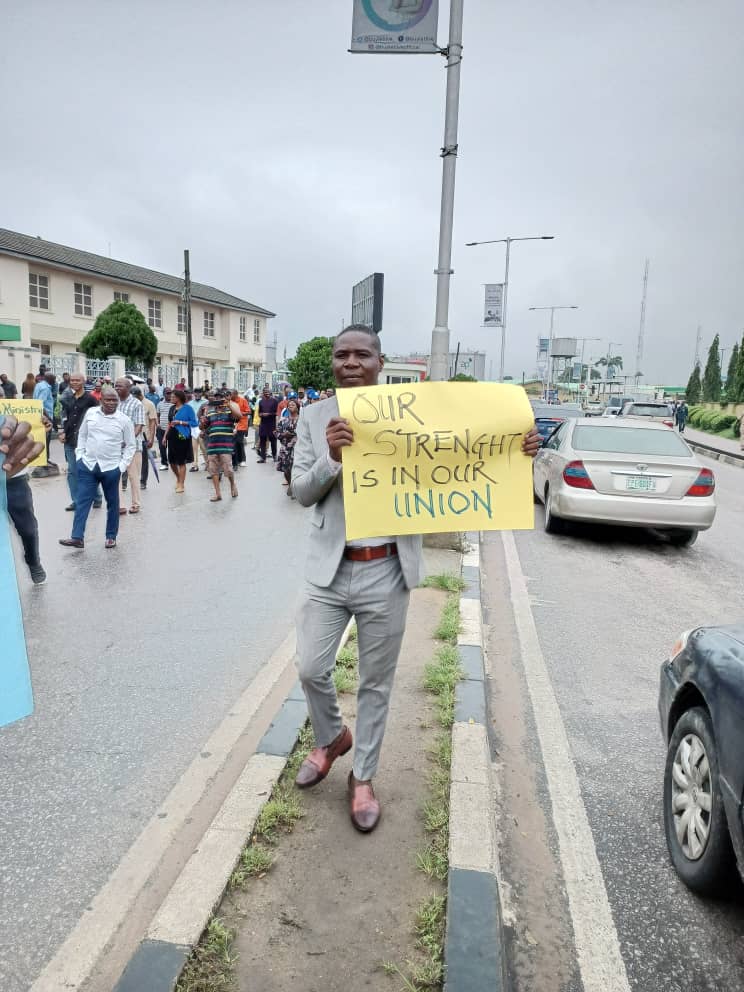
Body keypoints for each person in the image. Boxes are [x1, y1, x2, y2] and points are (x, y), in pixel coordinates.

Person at [291, 324, 541, 833]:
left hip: (386, 569)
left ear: (381, 363)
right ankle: (332, 737)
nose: (351, 363)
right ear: (333, 363)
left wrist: (514, 451)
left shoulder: (414, 415)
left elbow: (463, 450)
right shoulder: (313, 417)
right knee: (310, 669)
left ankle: (362, 778)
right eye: (342, 355)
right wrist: (332, 458)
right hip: (328, 571)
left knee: (375, 684)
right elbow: (300, 491)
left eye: (363, 354)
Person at [59, 386, 135, 550]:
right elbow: (83, 435)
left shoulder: (124, 420)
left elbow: (130, 446)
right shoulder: (91, 413)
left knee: (112, 504)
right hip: (88, 465)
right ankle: (77, 537)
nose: (111, 403)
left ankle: (110, 537)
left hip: (111, 468)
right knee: (82, 502)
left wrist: (121, 467)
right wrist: (80, 457)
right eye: (108, 399)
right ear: (100, 399)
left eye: (114, 400)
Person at [2, 404, 48, 584]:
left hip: (14, 482)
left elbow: (30, 438)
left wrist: (42, 424)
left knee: (28, 530)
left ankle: (33, 561)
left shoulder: (10, 421)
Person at [58, 372, 100, 511]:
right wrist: (62, 431)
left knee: (88, 469)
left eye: (77, 380)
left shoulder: (91, 400)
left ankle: (97, 496)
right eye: (72, 380)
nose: (74, 382)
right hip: (69, 440)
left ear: (83, 382)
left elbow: (98, 418)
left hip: (86, 441)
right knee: (72, 471)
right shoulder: (68, 398)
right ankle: (77, 501)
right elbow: (64, 417)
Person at [201, 390, 240, 501]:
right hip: (212, 446)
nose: (218, 400)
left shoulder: (229, 411)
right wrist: (202, 422)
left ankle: (232, 485)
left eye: (220, 398)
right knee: (213, 470)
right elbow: (202, 427)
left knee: (228, 470)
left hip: (225, 446)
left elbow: (239, 416)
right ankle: (218, 494)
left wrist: (229, 405)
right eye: (216, 398)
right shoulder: (210, 412)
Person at [115, 377, 145, 514]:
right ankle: (120, 505)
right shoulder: (113, 403)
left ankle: (136, 504)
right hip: (115, 446)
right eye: (116, 386)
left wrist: (128, 441)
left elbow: (139, 425)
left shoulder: (136, 404)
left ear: (128, 388)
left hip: (133, 447)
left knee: (133, 476)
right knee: (116, 477)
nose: (117, 388)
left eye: (120, 386)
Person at [165, 388, 198, 493]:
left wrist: (180, 422)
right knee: (171, 462)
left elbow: (194, 423)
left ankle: (181, 484)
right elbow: (169, 423)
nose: (171, 398)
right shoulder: (171, 408)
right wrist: (164, 436)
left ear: (179, 398)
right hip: (172, 436)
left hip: (182, 436)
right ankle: (178, 478)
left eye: (173, 397)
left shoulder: (188, 408)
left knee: (181, 462)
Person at [132, 386, 157, 489]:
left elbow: (152, 422)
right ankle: (130, 480)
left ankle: (143, 481)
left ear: (139, 395)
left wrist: (151, 438)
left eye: (134, 397)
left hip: (144, 436)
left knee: (144, 461)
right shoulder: (133, 403)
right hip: (133, 435)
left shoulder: (149, 404)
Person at [276, 398, 300, 496]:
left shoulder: (302, 420)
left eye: (293, 404)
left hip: (298, 448)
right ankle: (291, 485)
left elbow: (306, 433)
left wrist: (293, 434)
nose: (291, 406)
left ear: (298, 407)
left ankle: (297, 488)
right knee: (286, 470)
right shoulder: (283, 420)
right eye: (289, 405)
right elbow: (277, 432)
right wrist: (283, 435)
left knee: (298, 469)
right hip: (286, 448)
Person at [257, 385, 279, 462]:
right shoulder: (260, 401)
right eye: (265, 392)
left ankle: (274, 456)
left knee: (273, 440)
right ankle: (263, 457)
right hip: (263, 423)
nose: (267, 393)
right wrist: (262, 414)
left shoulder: (275, 401)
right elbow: (259, 413)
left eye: (268, 392)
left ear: (270, 393)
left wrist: (269, 414)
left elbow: (277, 412)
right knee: (262, 440)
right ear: (263, 393)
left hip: (271, 423)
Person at [230, 389, 250, 468]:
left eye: (231, 394)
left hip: (242, 424)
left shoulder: (243, 400)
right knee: (234, 443)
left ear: (236, 394)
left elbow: (248, 411)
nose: (230, 396)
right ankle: (236, 460)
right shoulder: (230, 402)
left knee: (239, 442)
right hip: (233, 425)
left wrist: (239, 413)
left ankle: (243, 460)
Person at [188, 388, 207, 471]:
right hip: (193, 428)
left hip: (202, 427)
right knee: (193, 448)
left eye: (199, 392)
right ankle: (195, 465)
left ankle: (208, 464)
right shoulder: (189, 403)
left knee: (203, 447)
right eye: (196, 393)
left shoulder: (205, 402)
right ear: (193, 393)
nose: (197, 394)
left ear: (201, 393)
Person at [156, 388, 173, 468]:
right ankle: (164, 463)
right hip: (161, 429)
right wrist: (158, 423)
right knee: (162, 447)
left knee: (172, 447)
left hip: (172, 429)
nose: (169, 395)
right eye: (167, 393)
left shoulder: (174, 404)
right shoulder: (159, 404)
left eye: (170, 393)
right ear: (164, 394)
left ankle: (172, 462)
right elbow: (157, 415)